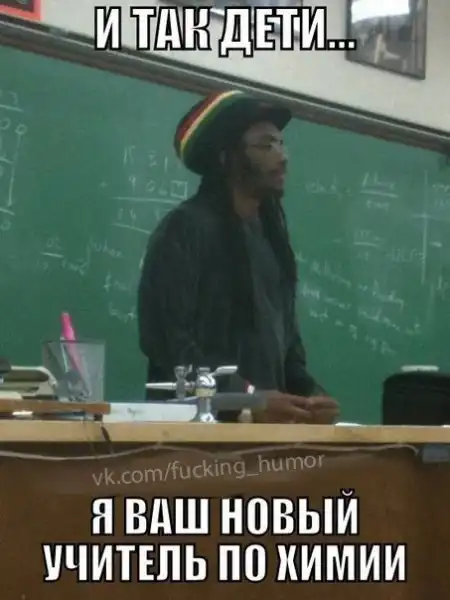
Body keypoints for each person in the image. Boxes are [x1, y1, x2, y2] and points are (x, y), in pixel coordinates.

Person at [138, 90, 339, 424]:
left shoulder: (272, 239)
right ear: (225, 157)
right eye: (266, 145)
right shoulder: (184, 229)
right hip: (193, 438)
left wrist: (309, 397)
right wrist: (246, 399)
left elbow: (287, 350)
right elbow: (167, 346)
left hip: (266, 439)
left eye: (281, 143)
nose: (282, 156)